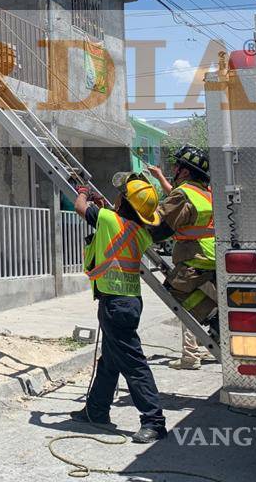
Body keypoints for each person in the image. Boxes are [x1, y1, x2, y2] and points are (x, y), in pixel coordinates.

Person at [70, 173, 169, 443]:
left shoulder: (108, 219)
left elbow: (81, 207)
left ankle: (154, 422)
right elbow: (117, 218)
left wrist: (82, 191)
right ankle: (96, 410)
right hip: (127, 302)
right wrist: (102, 201)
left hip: (115, 304)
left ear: (123, 200)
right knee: (110, 360)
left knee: (134, 365)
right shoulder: (140, 233)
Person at [146, 144, 217, 370]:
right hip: (211, 257)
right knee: (192, 296)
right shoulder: (206, 193)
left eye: (177, 165)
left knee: (174, 294)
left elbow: (159, 226)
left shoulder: (183, 193)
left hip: (194, 258)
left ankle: (212, 321)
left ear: (185, 171)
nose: (174, 168)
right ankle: (215, 326)